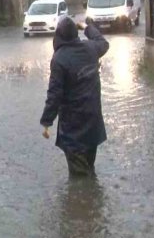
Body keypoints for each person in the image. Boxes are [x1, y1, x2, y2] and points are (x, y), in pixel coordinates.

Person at [40, 16, 110, 177]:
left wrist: (46, 121)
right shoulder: (91, 49)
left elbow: (54, 94)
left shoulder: (59, 59)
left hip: (73, 129)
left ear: (58, 36)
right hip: (93, 123)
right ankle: (93, 199)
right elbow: (103, 42)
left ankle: (83, 200)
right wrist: (87, 27)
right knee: (88, 169)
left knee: (80, 177)